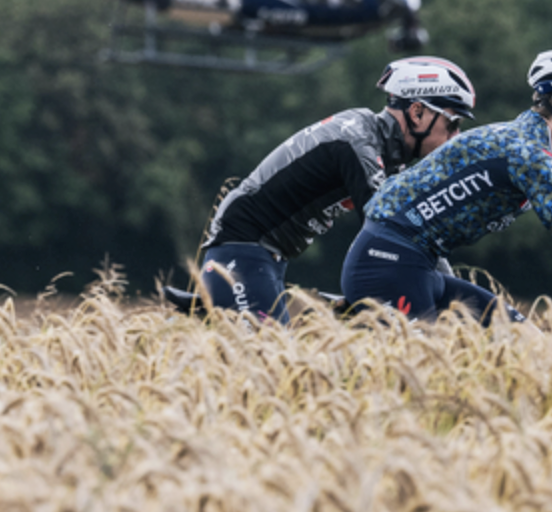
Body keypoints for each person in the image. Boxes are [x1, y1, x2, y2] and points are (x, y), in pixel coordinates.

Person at [340, 44, 552, 328]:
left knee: (531, 348)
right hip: (386, 264)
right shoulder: (527, 155)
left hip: (419, 267)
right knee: (422, 381)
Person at [189, 57, 477, 321]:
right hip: (245, 245)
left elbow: (413, 236)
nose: (456, 137)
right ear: (417, 112)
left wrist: (454, 295)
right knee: (271, 360)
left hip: (268, 254)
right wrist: (455, 299)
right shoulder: (360, 145)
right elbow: (393, 236)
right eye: (452, 123)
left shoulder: (384, 152)